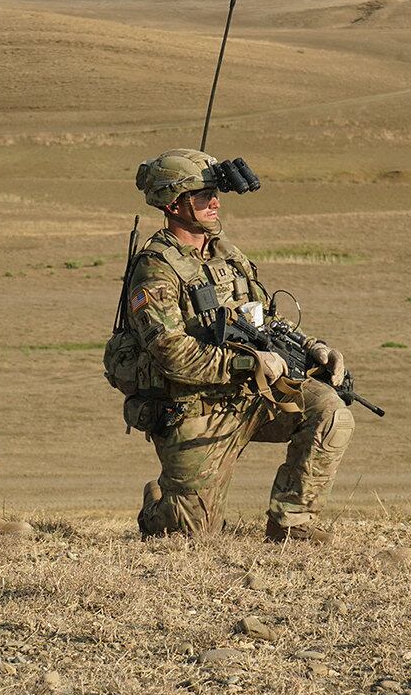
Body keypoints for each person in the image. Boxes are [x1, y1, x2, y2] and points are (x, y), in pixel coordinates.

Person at [109, 149, 355, 542]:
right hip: (194, 407)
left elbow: (260, 320)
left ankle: (291, 523)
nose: (214, 202)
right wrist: (246, 366)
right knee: (191, 536)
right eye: (203, 195)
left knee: (330, 411)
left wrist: (313, 348)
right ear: (174, 204)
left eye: (215, 193)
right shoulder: (155, 268)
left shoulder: (227, 254)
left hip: (250, 397)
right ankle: (162, 504)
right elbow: (172, 353)